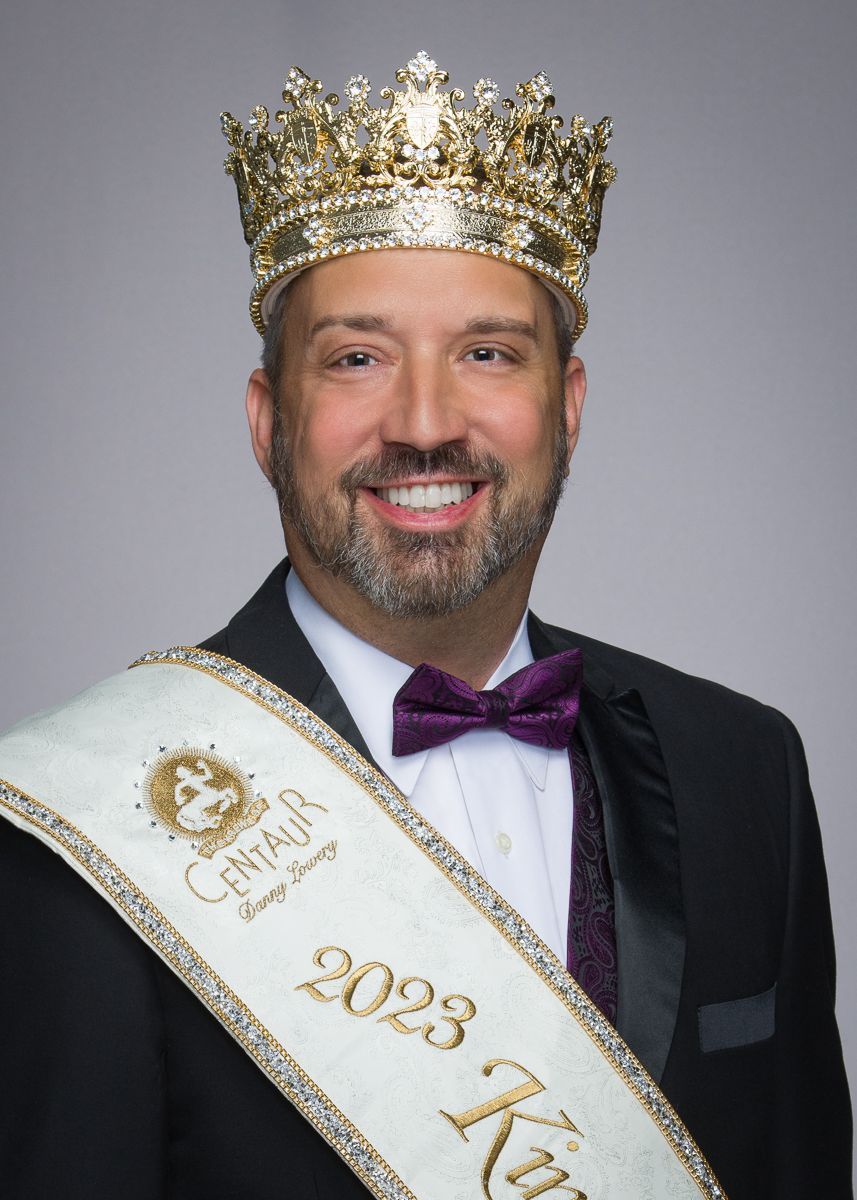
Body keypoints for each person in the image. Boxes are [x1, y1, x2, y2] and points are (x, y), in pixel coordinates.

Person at [0, 52, 851, 1200]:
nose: (424, 420)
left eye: (487, 353)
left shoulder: (741, 770)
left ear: (567, 406)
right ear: (267, 421)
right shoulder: (77, 827)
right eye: (356, 358)